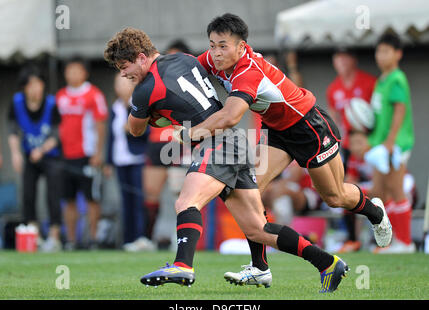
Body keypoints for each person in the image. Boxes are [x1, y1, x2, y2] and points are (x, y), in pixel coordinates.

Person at [104, 27, 349, 293]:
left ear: (141, 57)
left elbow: (135, 129)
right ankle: (327, 262)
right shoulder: (186, 58)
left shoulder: (144, 89)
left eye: (124, 66)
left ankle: (182, 265)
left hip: (216, 143)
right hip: (233, 141)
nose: (123, 73)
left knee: (187, 201)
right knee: (258, 229)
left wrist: (155, 115)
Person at [176, 13, 392, 285]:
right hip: (276, 130)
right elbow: (185, 70)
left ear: (241, 47)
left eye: (223, 46)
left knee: (334, 197)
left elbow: (230, 117)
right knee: (248, 190)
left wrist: (191, 133)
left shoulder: (248, 71)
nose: (216, 53)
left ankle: (375, 212)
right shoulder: (213, 59)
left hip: (307, 126)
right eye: (212, 45)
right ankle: (259, 268)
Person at [139, 39, 194, 250]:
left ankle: (176, 238)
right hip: (156, 141)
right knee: (151, 191)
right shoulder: (154, 81)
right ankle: (147, 238)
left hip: (179, 142)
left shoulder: (191, 83)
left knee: (178, 193)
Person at [365, 33, 415, 253]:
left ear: (398, 54)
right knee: (380, 191)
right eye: (379, 50)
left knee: (396, 189)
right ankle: (389, 241)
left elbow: (400, 109)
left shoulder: (397, 78)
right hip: (380, 145)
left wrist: (391, 141)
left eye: (386, 51)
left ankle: (405, 242)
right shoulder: (381, 81)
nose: (381, 55)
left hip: (394, 144)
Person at [326, 47, 377, 252]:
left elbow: (377, 114)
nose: (341, 61)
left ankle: (380, 236)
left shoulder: (368, 82)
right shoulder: (333, 88)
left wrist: (371, 139)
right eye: (337, 57)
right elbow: (333, 119)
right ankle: (352, 238)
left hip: (369, 144)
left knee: (379, 187)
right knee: (344, 188)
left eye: (345, 56)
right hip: (347, 148)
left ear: (353, 59)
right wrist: (337, 144)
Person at [7, 65, 63, 252]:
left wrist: (41, 149)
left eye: (39, 84)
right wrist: (15, 153)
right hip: (29, 156)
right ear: (24, 87)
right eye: (31, 85)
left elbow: (56, 135)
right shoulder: (16, 103)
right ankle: (34, 235)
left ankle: (54, 236)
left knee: (53, 195)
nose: (36, 88)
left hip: (51, 156)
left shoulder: (51, 103)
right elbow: (13, 131)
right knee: (28, 194)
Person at [56, 57, 108, 250]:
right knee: (68, 199)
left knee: (91, 198)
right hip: (66, 156)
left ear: (85, 72)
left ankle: (93, 239)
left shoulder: (94, 94)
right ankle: (71, 240)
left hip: (87, 155)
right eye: (69, 71)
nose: (73, 74)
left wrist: (98, 153)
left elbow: (100, 125)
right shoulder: (60, 96)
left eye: (77, 70)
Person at [104, 73, 153, 250]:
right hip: (120, 160)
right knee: (125, 201)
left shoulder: (138, 105)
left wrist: (132, 129)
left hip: (137, 158)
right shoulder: (114, 108)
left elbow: (148, 131)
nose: (122, 87)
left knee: (138, 199)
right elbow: (110, 137)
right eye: (119, 84)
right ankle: (128, 239)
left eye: (126, 83)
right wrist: (108, 161)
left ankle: (141, 237)